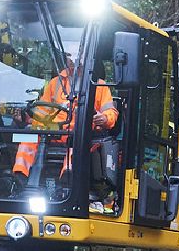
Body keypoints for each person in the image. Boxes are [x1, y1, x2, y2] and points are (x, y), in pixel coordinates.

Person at [13, 42, 118, 193]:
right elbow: (42, 112)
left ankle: (67, 182)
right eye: (69, 54)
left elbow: (111, 113)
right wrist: (29, 120)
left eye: (76, 54)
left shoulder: (99, 86)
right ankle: (21, 175)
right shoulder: (55, 83)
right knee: (30, 135)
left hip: (82, 134)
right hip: (54, 132)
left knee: (77, 144)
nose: (72, 59)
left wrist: (105, 118)